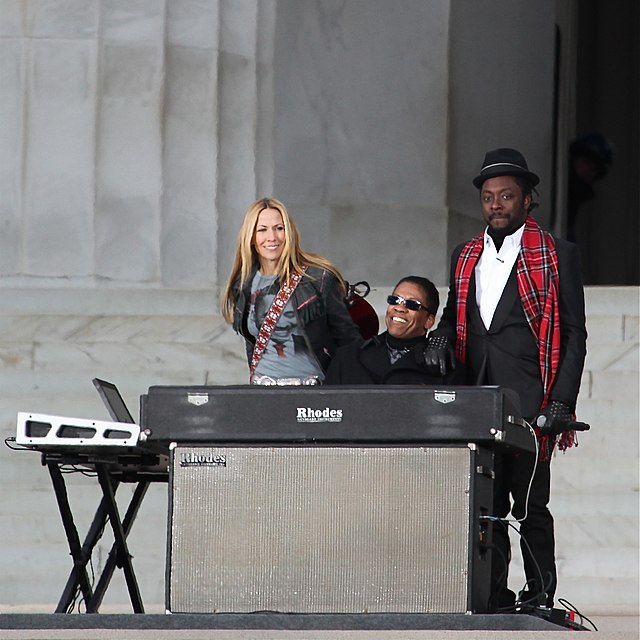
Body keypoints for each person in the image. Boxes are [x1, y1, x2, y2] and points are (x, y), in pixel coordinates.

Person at [424, 148, 587, 611]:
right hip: (477, 397)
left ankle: (539, 596)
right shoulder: (465, 255)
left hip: (532, 403)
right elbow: (456, 317)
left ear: (527, 200)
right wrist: (437, 339)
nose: (496, 205)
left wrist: (562, 401)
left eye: (507, 196)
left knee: (531, 507)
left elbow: (574, 334)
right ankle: (492, 594)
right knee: (485, 505)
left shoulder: (558, 255)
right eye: (489, 197)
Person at [221, 197, 362, 384]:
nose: (272, 237)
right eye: (262, 230)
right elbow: (252, 343)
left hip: (313, 388)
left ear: (289, 233)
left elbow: (349, 340)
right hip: (263, 388)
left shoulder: (317, 278)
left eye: (279, 228)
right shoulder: (244, 283)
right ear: (251, 238)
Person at [325, 275, 456, 385]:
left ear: (429, 321)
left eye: (412, 304)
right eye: (395, 300)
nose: (399, 308)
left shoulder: (445, 367)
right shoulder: (347, 357)